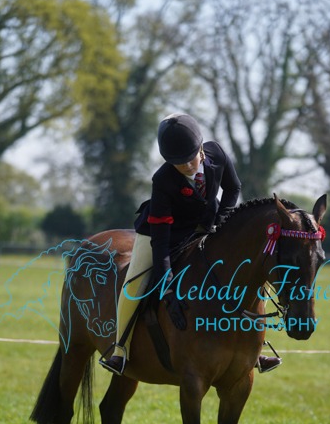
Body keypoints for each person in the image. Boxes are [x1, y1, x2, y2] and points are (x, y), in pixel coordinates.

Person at [100, 113, 281, 376]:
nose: (186, 165)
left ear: (201, 150)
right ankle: (120, 350)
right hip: (163, 233)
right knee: (135, 281)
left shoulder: (217, 153)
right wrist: (168, 286)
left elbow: (233, 188)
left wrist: (222, 220)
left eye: (190, 158)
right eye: (178, 162)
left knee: (243, 269)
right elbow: (161, 241)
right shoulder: (163, 180)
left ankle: (255, 346)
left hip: (207, 225)